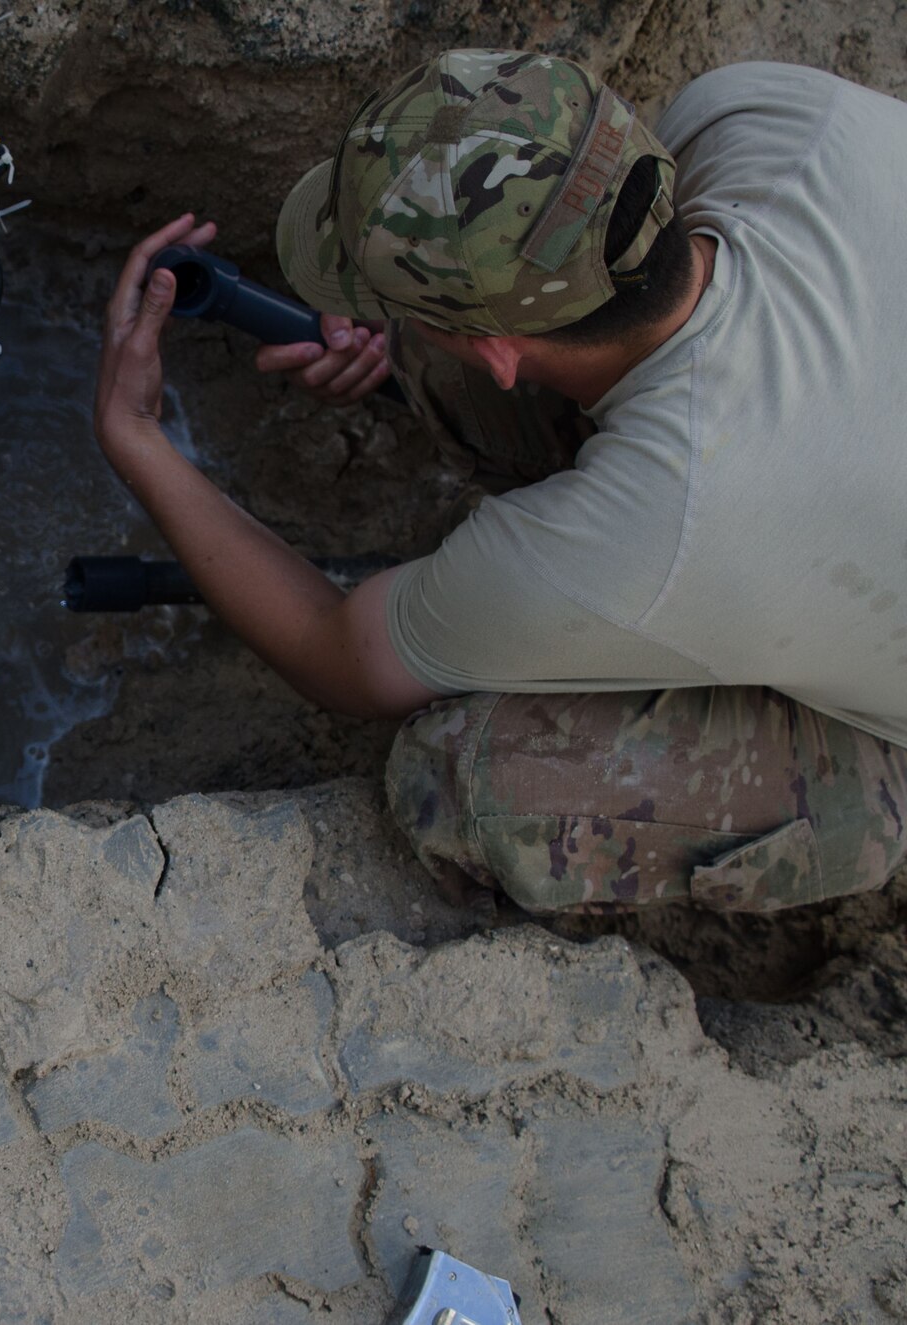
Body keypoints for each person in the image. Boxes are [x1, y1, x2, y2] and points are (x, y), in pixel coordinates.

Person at [91, 50, 907, 913]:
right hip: (825, 504)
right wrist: (410, 340)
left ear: (497, 353)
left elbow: (337, 651)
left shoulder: (657, 527)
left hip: (873, 709)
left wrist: (136, 437)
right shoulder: (765, 112)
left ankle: (865, 806)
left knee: (466, 781)